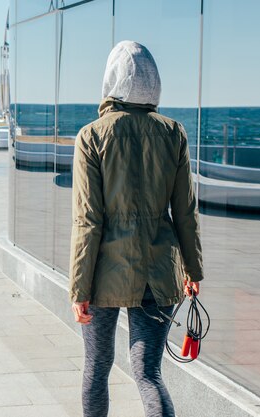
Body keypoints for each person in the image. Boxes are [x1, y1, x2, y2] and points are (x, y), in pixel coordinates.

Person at [69, 40, 204, 417]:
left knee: (97, 368)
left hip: (101, 275)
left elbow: (88, 221)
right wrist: (193, 271)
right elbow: (185, 212)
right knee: (148, 373)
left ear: (111, 80)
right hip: (159, 271)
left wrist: (78, 287)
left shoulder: (92, 136)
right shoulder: (173, 132)